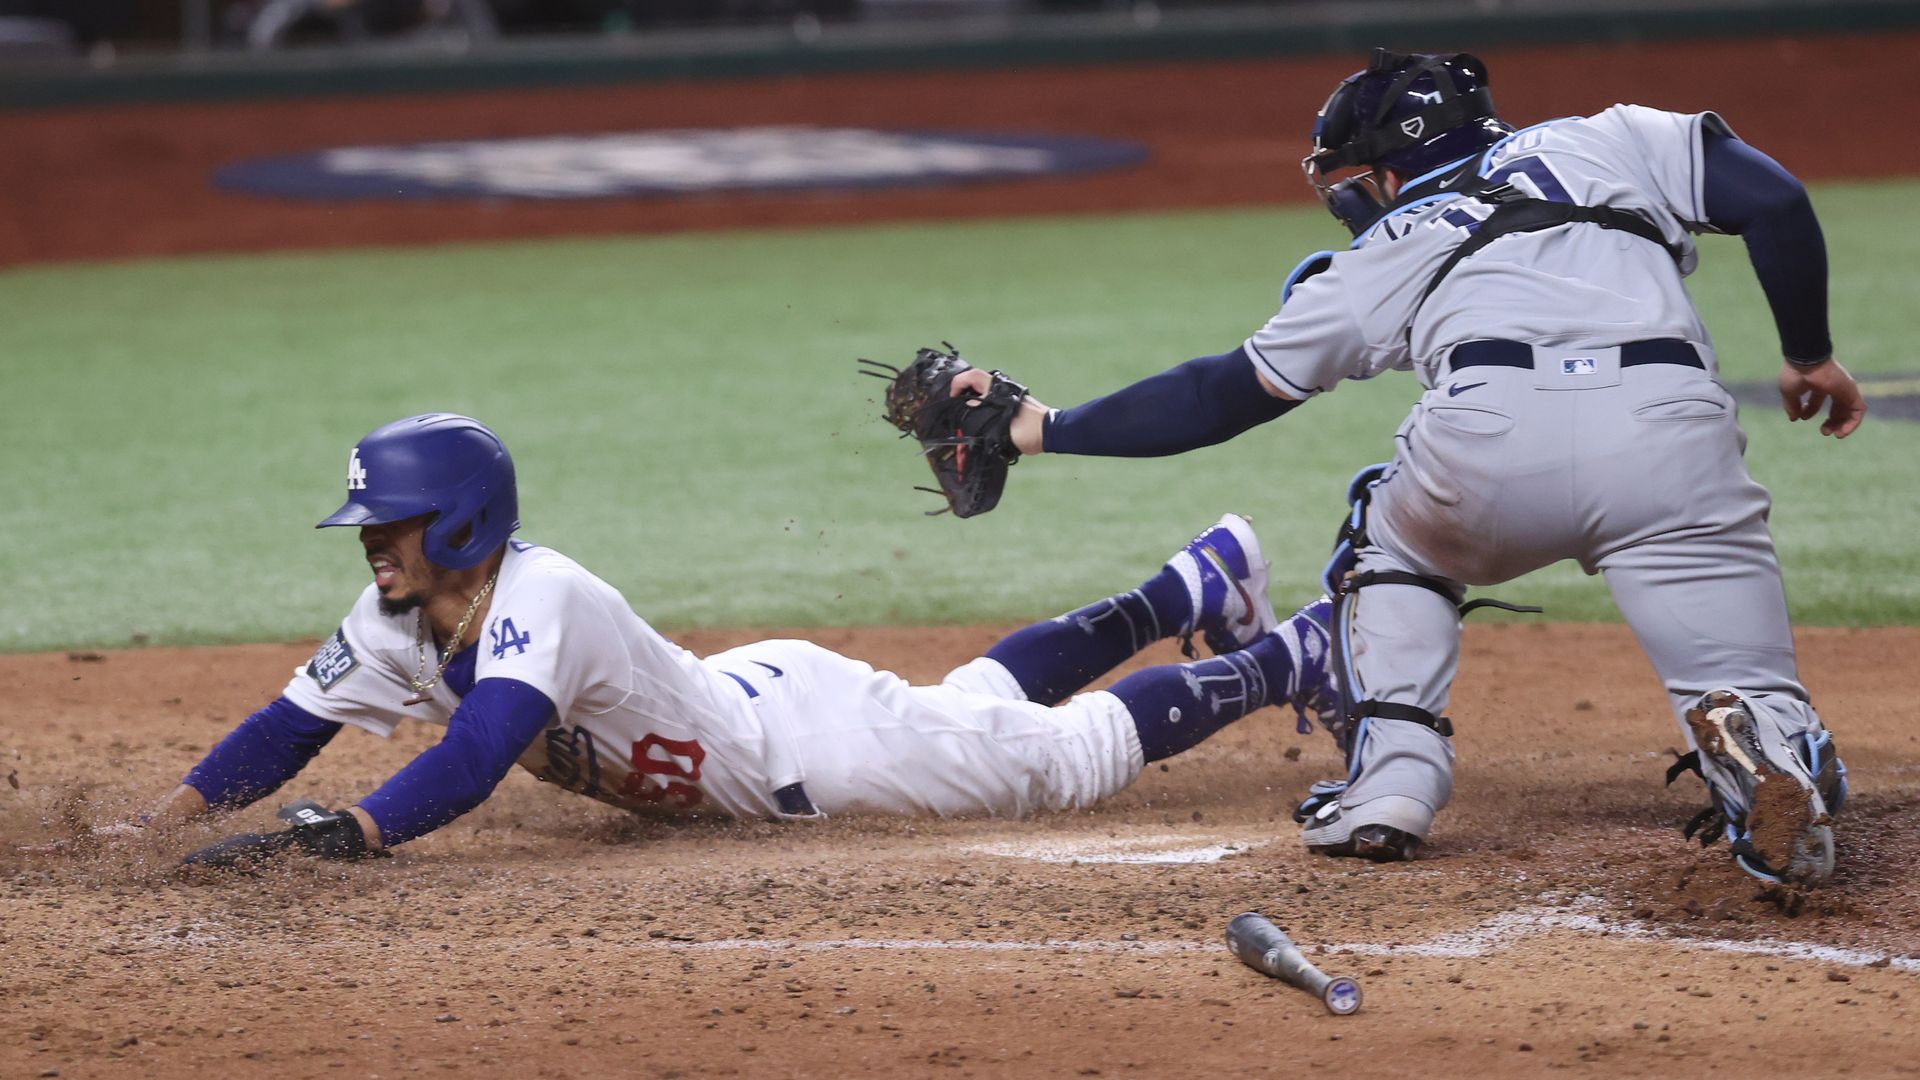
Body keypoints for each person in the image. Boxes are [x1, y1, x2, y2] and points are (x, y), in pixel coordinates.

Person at [942, 49, 1860, 890]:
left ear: (1386, 172)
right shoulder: (1614, 137)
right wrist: (1810, 355)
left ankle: (1391, 787)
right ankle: (1768, 754)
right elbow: (1774, 200)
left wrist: (1040, 429)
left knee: (1391, 540)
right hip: (1670, 430)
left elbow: (1219, 396)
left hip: (1490, 445)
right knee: (1738, 669)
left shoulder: (1380, 252)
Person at [110, 413, 1333, 866]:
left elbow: (480, 753)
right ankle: (1195, 581)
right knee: (970, 703)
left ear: (466, 522)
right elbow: (286, 728)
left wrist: (361, 833)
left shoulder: (548, 595)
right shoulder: (397, 618)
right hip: (764, 708)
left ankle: (1298, 651)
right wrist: (159, 832)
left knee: (1054, 763)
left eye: (392, 524)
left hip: (818, 753)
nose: (371, 544)